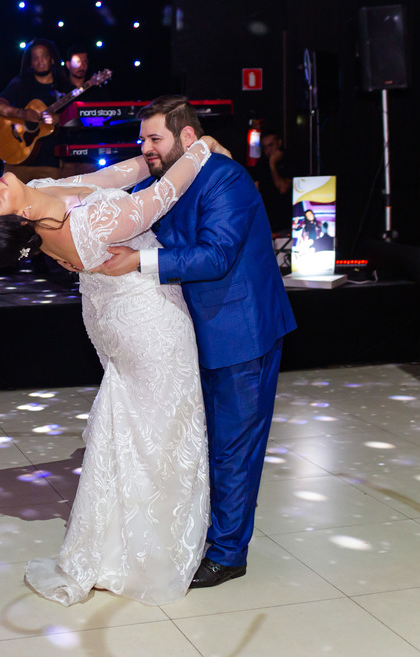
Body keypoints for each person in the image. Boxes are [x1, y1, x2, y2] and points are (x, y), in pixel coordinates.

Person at [0, 131, 224, 606]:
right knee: (164, 433)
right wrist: (200, 149)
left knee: (129, 429)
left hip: (112, 319)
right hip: (148, 323)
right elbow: (158, 199)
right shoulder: (88, 224)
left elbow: (109, 177)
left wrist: (151, 156)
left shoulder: (39, 195)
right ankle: (152, 554)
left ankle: (111, 547)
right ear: (19, 218)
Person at [88, 96, 297, 590]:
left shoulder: (226, 178)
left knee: (233, 448)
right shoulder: (166, 179)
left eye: (154, 138)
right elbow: (128, 210)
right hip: (195, 332)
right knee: (205, 444)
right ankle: (211, 533)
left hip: (241, 333)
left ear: (186, 137)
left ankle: (228, 553)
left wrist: (137, 262)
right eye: (142, 139)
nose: (146, 148)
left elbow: (216, 256)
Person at [0, 38, 75, 183]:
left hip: (49, 164)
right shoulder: (20, 83)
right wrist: (21, 113)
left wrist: (58, 119)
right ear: (30, 62)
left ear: (52, 59)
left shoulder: (63, 88)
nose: (39, 61)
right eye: (35, 58)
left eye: (44, 57)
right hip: (16, 162)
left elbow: (77, 120)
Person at [250, 131, 293, 236]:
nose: (268, 150)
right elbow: (254, 194)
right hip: (267, 226)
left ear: (279, 142)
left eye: (270, 145)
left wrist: (272, 164)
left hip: (287, 225)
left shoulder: (290, 161)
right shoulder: (261, 165)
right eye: (265, 147)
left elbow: (283, 188)